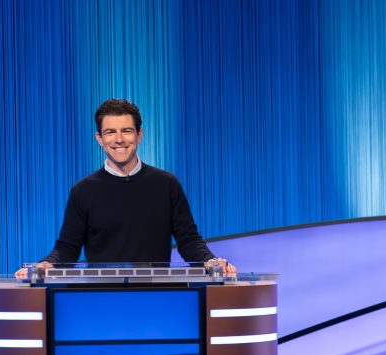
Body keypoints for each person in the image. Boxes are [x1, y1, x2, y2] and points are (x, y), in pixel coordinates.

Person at [16, 99, 234, 278]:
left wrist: (211, 261)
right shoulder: (83, 190)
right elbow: (67, 248)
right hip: (101, 297)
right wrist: (46, 265)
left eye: (127, 131)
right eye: (110, 132)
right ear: (99, 138)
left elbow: (188, 240)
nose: (119, 139)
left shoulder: (167, 184)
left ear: (139, 135)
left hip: (158, 295)